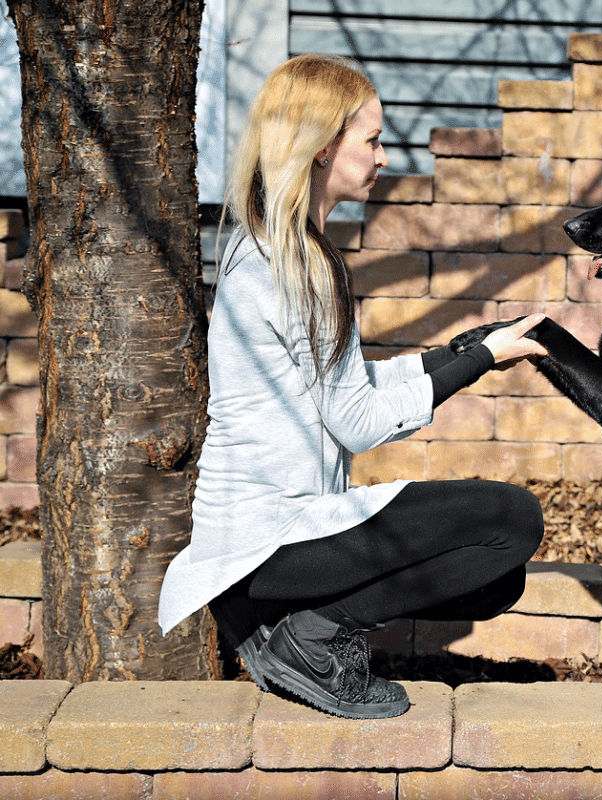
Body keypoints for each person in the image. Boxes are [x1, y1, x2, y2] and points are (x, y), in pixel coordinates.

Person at [157, 53, 547, 719]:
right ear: (320, 147)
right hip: (270, 540)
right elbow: (358, 422)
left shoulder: (274, 251)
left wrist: (461, 352)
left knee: (495, 578)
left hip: (272, 542)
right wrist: (477, 361)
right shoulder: (297, 265)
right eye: (372, 140)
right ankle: (308, 639)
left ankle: (293, 627)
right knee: (511, 521)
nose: (384, 158)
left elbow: (343, 385)